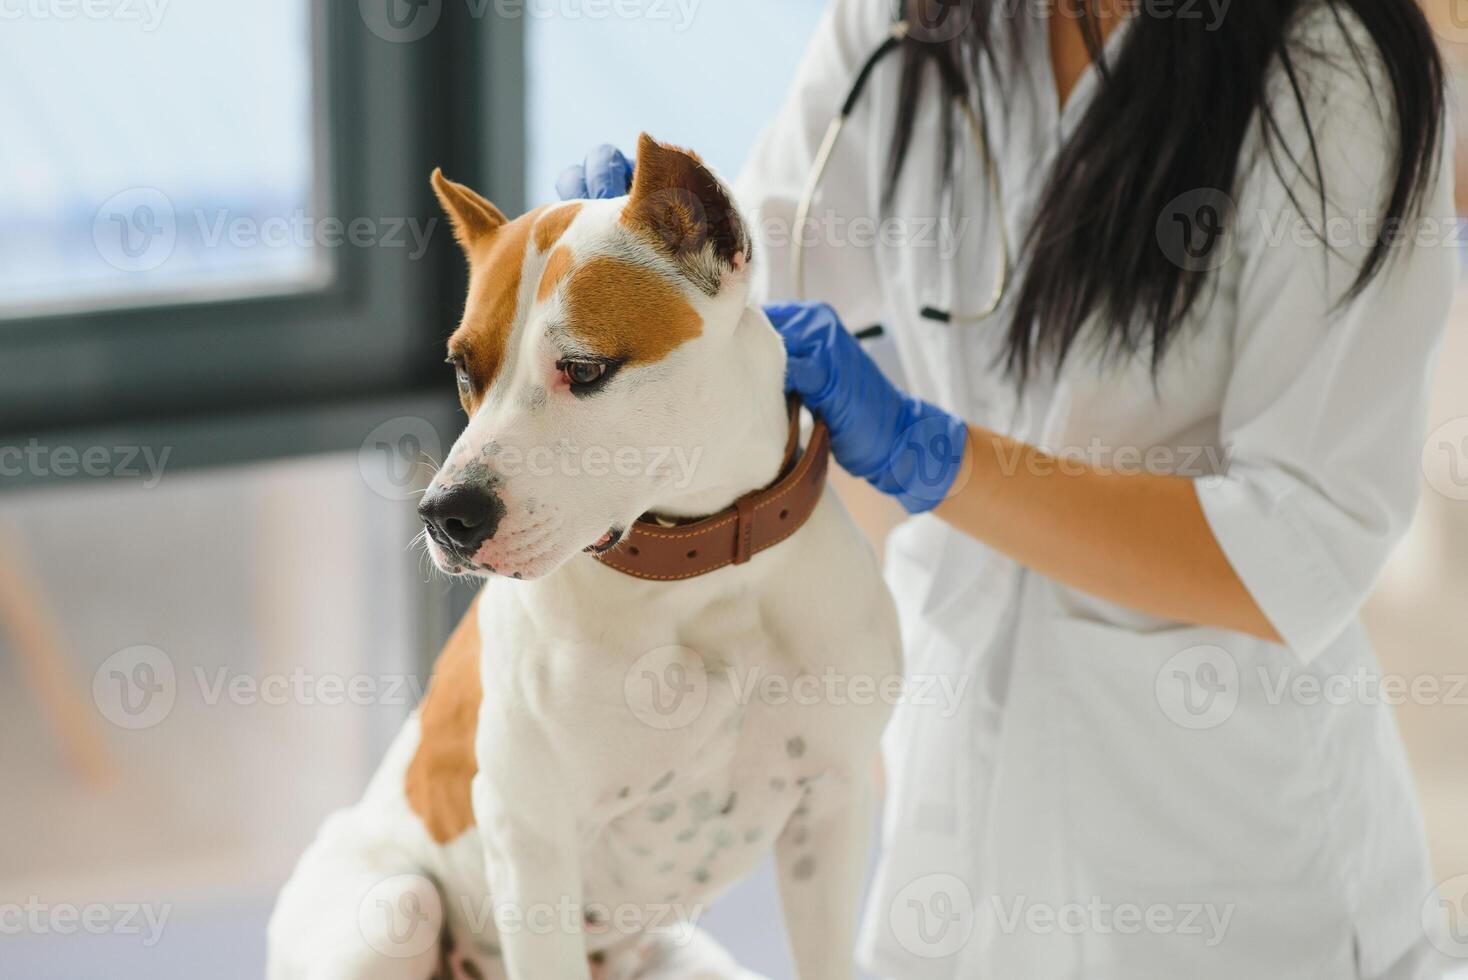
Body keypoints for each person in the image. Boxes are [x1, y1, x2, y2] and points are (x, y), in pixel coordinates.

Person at [559, 0, 1460, 976]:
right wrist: (654, 263)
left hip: (1227, 845)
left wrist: (934, 458)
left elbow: (1301, 546)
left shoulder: (1330, 66)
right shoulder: (906, 24)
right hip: (958, 789)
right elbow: (760, 273)